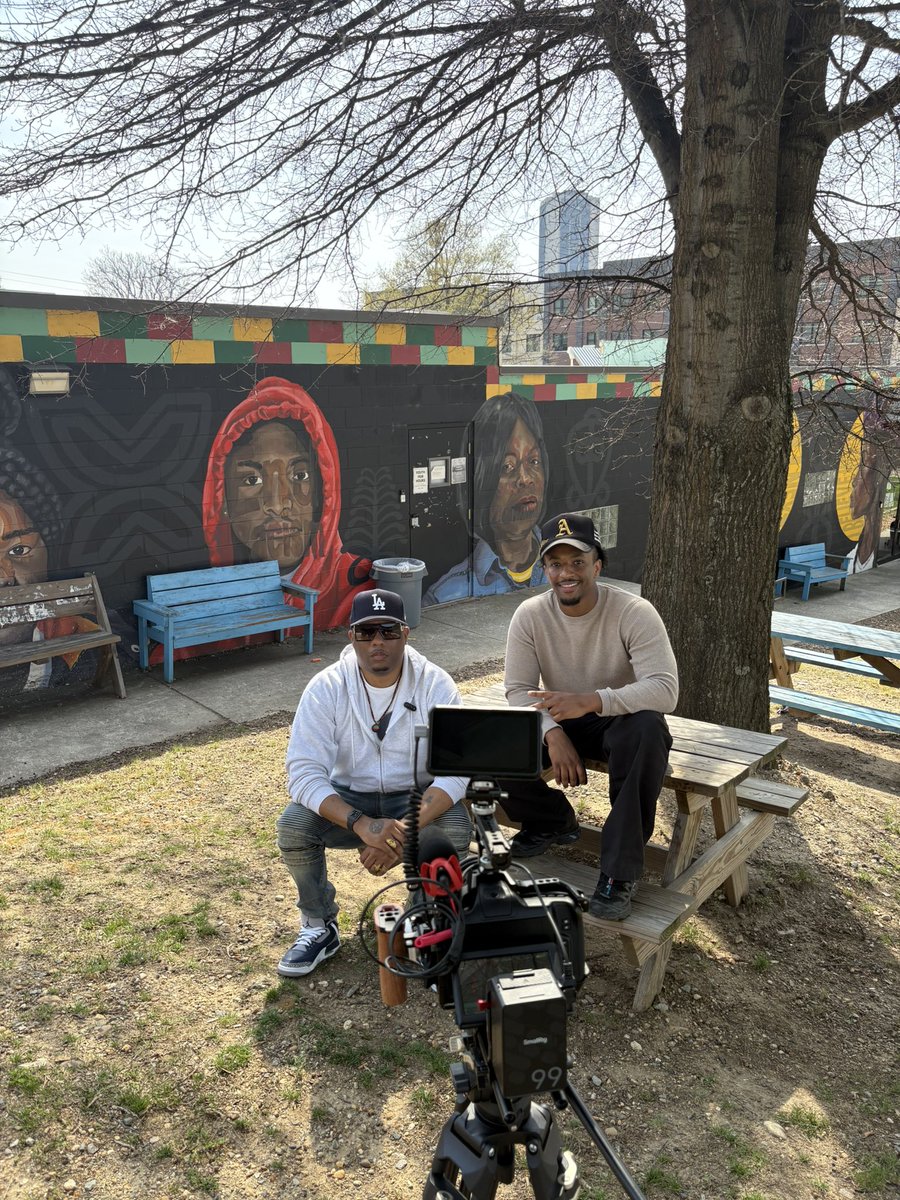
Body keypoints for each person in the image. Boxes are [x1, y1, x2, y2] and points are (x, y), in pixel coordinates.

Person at [275, 587, 472, 976]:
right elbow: (303, 771)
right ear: (351, 636)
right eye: (366, 632)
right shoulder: (326, 686)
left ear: (406, 633)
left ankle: (428, 919)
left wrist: (403, 831)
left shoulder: (435, 683)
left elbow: (456, 769)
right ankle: (318, 924)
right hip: (351, 799)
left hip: (415, 799)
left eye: (388, 631)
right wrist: (362, 825)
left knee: (454, 831)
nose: (377, 642)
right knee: (294, 827)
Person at [501, 513, 678, 920]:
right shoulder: (530, 615)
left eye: (577, 562)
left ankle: (619, 871)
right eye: (556, 563)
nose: (567, 573)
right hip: (562, 714)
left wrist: (593, 700)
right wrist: (551, 733)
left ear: (597, 566)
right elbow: (517, 690)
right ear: (544, 569)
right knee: (494, 737)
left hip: (618, 718)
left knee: (648, 730)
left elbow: (665, 689)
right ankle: (551, 820)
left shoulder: (634, 611)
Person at [202, 376, 371, 629]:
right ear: (222, 500)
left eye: (299, 475)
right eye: (251, 480)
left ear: (323, 491)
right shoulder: (212, 607)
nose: (278, 505)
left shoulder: (357, 590)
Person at [423, 392, 548, 604]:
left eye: (534, 461)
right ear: (482, 479)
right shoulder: (446, 595)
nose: (525, 479)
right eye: (506, 466)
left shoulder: (566, 569)